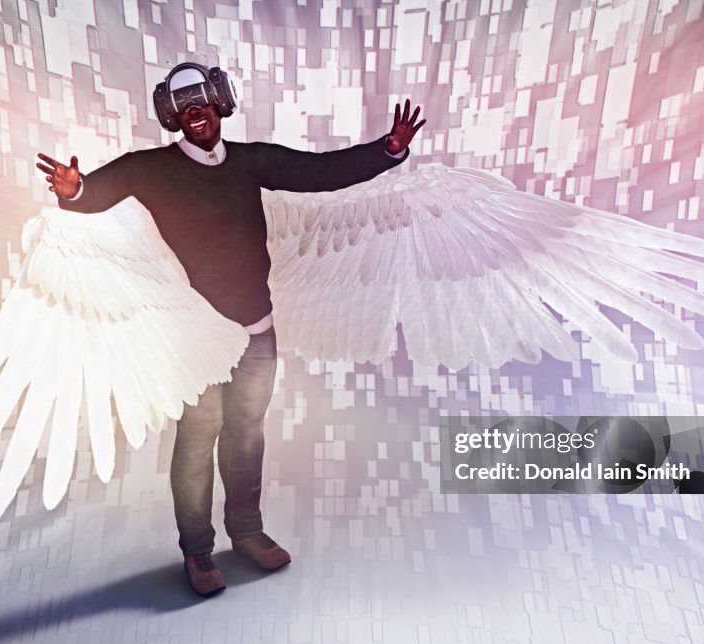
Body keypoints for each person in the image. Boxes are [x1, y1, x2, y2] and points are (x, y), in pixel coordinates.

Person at [35, 62, 425, 596]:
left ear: (220, 103)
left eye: (202, 101)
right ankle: (197, 551)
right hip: (195, 341)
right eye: (183, 106)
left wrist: (388, 150)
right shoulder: (150, 168)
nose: (195, 112)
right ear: (173, 116)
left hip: (256, 332)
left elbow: (319, 172)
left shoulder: (250, 161)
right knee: (197, 440)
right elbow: (95, 192)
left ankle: (247, 533)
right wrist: (74, 191)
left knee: (246, 434)